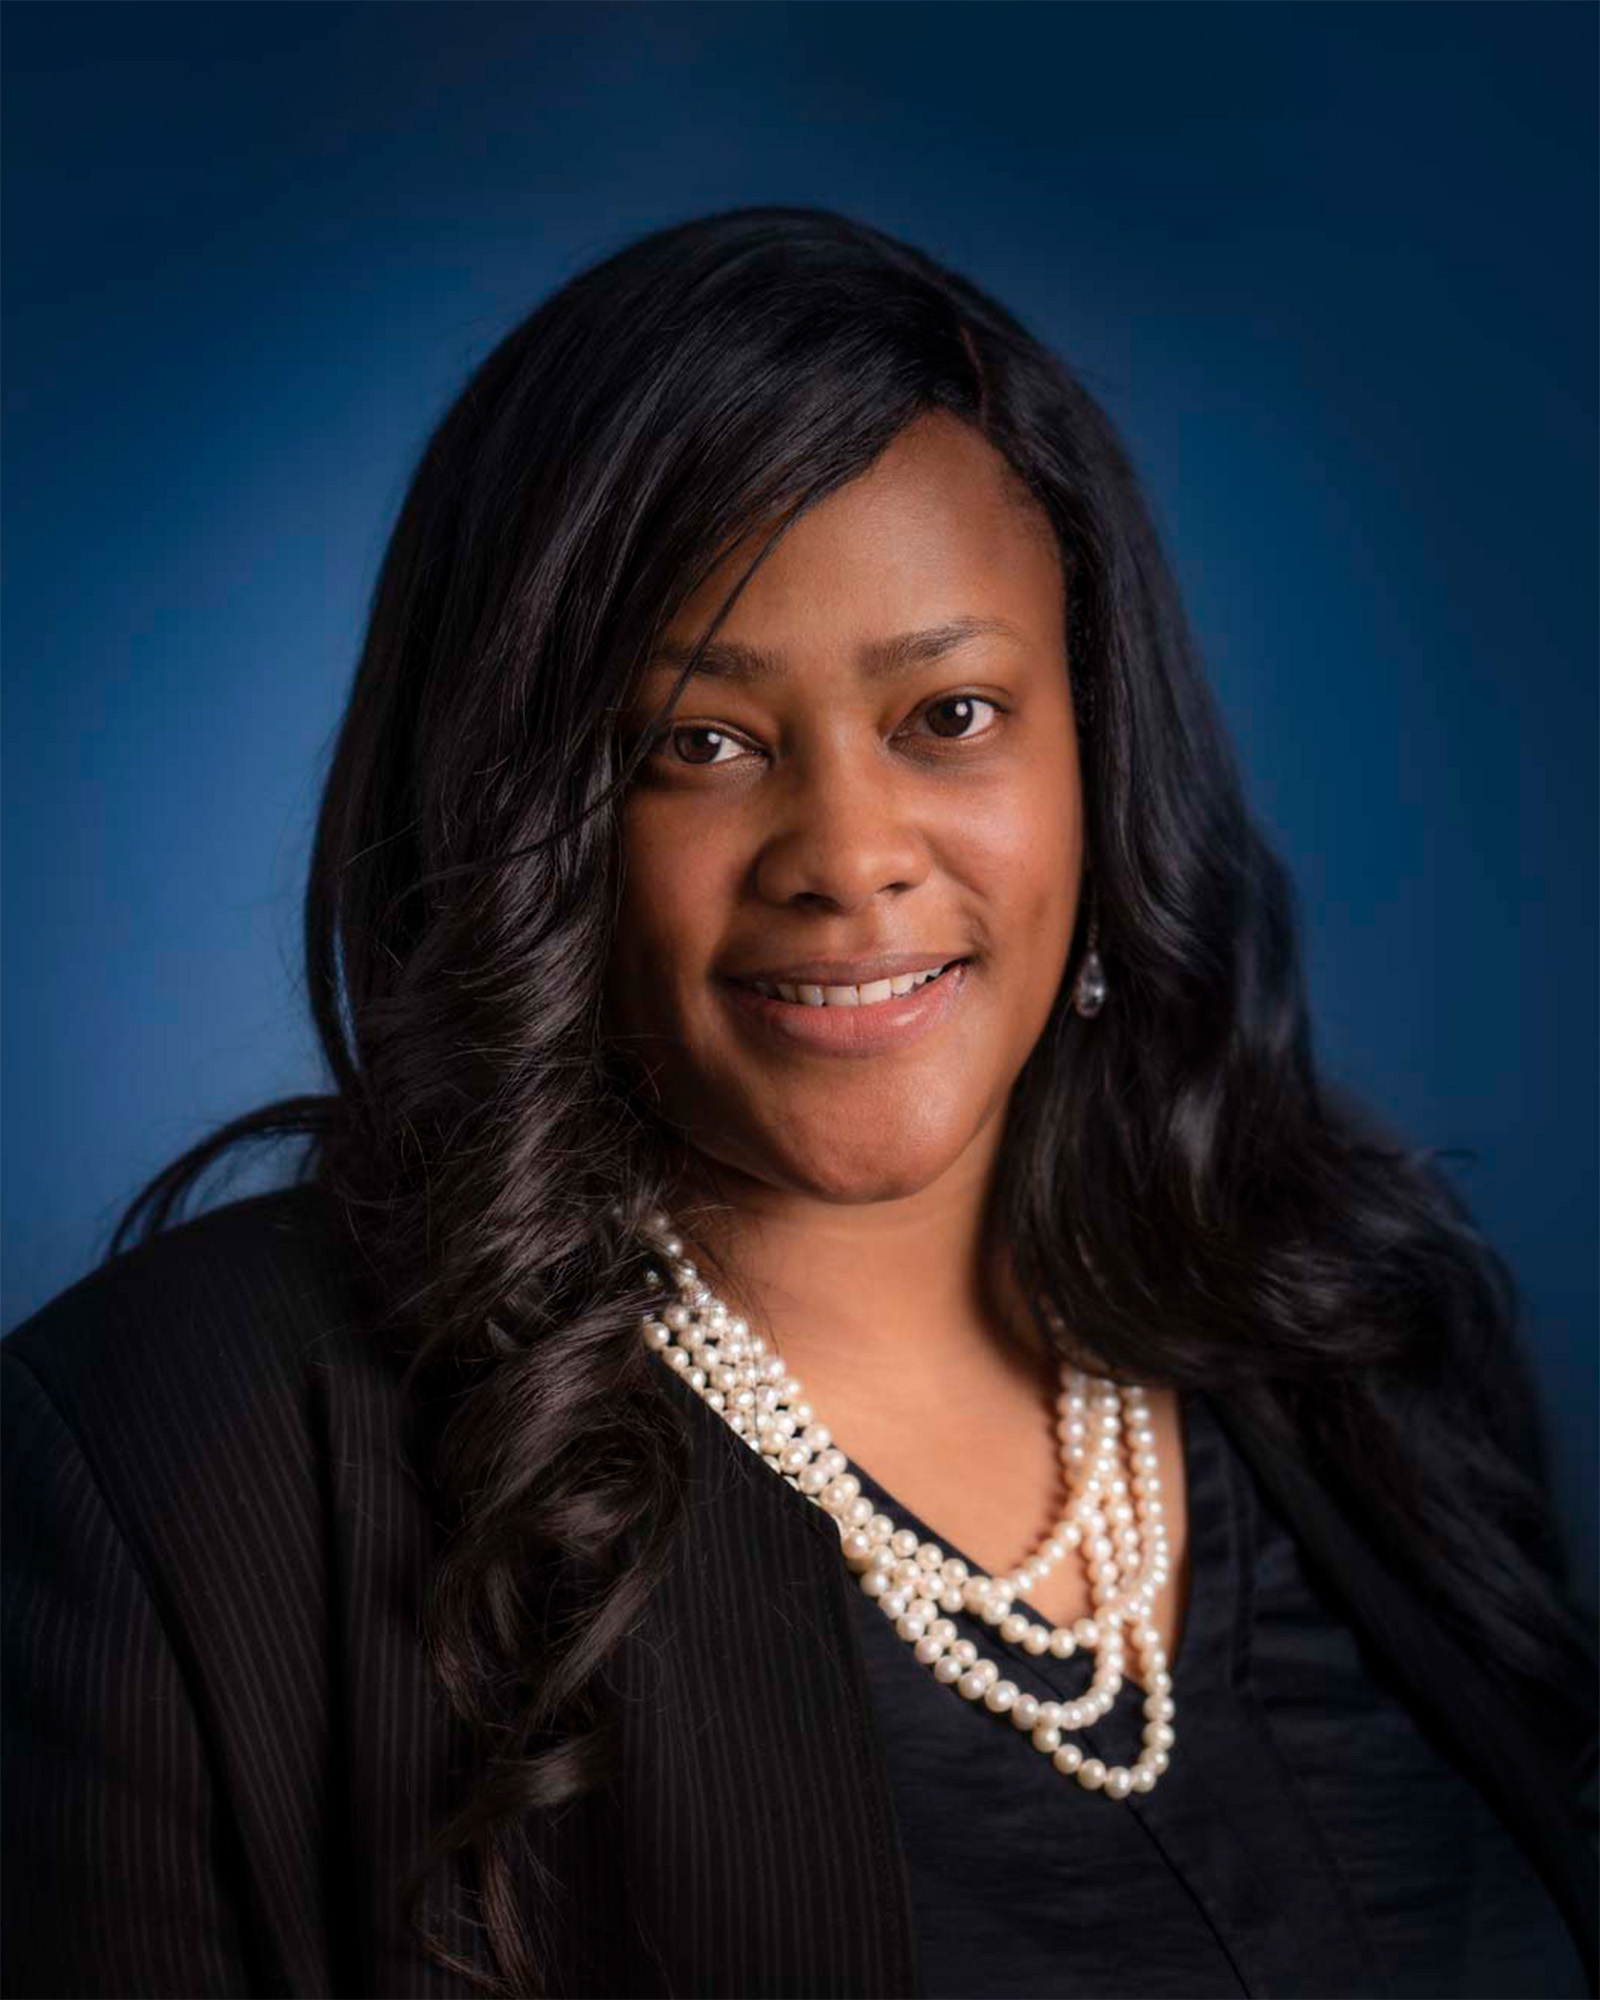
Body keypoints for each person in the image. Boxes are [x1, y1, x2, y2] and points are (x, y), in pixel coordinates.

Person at [2, 205, 1594, 2000]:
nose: (848, 858)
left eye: (953, 714)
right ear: (525, 810)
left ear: (1100, 750)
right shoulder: (172, 1466)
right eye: (699, 744)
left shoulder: (1360, 1339)